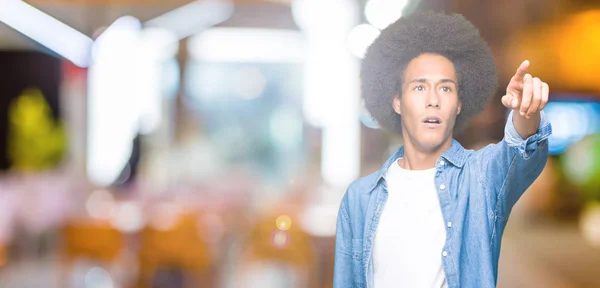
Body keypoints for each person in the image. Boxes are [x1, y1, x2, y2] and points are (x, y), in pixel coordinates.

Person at [333, 11, 552, 288]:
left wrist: (525, 111)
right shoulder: (358, 199)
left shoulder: (480, 178)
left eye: (446, 89)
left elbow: (520, 151)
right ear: (397, 102)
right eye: (420, 87)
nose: (433, 100)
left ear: (459, 104)